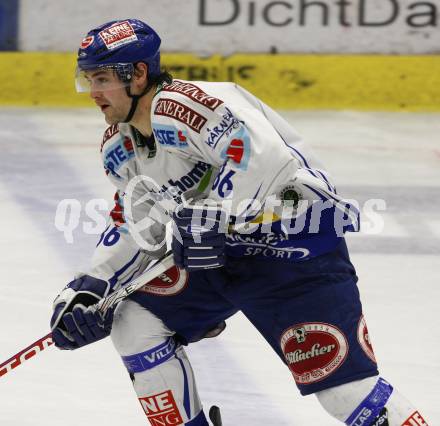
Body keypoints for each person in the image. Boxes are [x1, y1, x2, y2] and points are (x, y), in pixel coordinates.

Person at [50, 19, 429, 426]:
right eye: (88, 80)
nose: (93, 94)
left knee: (344, 393)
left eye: (103, 79)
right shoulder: (119, 146)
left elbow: (264, 161)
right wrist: (92, 285)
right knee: (134, 324)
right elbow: (138, 223)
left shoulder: (187, 105)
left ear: (139, 74)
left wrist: (212, 217)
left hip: (290, 245)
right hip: (218, 256)